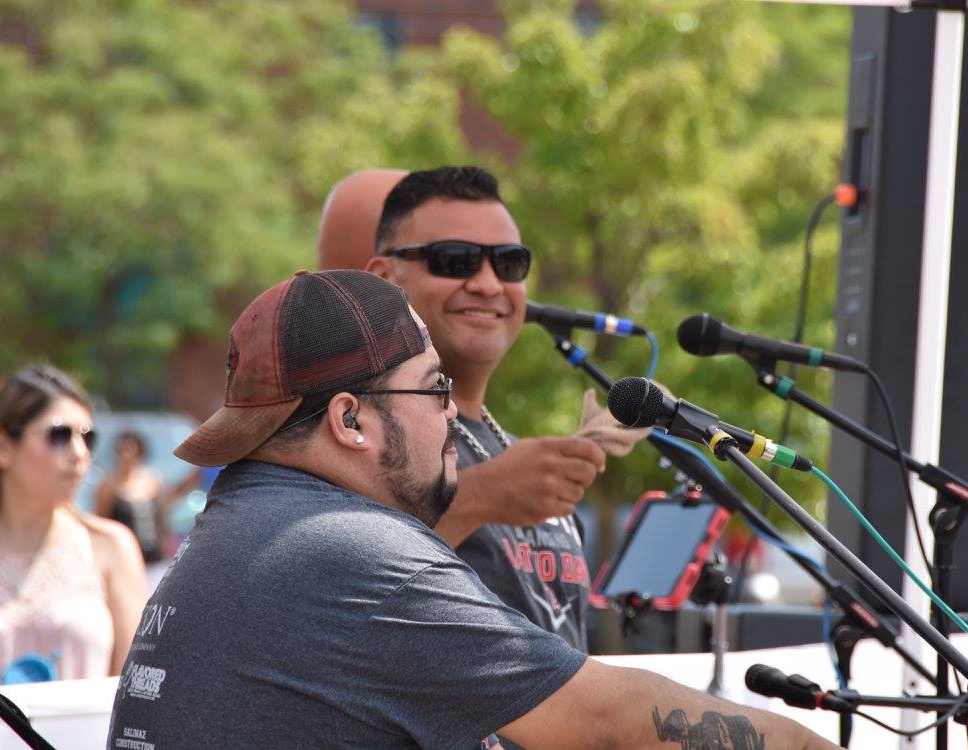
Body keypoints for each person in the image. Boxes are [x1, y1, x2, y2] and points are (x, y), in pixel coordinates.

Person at [105, 269, 837, 749]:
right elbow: (609, 723)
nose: (455, 419)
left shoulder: (251, 517)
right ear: (350, 421)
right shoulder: (346, 551)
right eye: (435, 391)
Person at [319, 166, 647, 651]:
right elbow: (335, 600)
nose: (490, 284)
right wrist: (477, 498)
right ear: (385, 278)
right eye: (456, 260)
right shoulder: (351, 433)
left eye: (510, 264)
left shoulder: (507, 449)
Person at [0, 365, 147, 683]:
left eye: (88, 438)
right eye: (59, 435)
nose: (80, 454)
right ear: (2, 448)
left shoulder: (111, 547)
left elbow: (135, 694)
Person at [95, 431, 202, 568]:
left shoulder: (152, 480)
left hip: (156, 558)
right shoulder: (108, 486)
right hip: (125, 561)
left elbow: (164, 511)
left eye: (132, 451)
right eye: (123, 451)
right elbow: (101, 521)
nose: (127, 456)